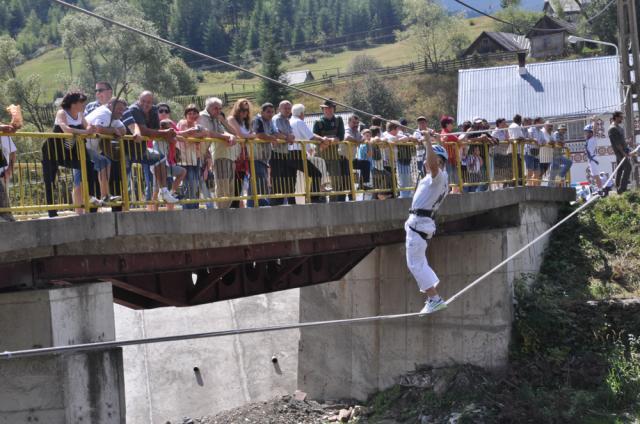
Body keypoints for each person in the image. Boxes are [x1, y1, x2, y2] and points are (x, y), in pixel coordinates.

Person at [405, 130, 449, 314]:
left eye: (430, 159)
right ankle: (433, 296)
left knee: (415, 264)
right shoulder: (436, 179)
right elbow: (432, 162)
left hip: (419, 224)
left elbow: (433, 163)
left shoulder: (437, 177)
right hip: (420, 223)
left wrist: (428, 142)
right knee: (419, 262)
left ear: (438, 162)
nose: (425, 162)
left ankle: (434, 298)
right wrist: (433, 140)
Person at [42, 91, 100, 216]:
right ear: (73, 104)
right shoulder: (62, 113)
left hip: (70, 152)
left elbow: (87, 126)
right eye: (81, 103)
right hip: (53, 151)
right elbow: (66, 129)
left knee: (89, 165)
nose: (83, 105)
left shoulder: (80, 114)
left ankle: (91, 198)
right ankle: (52, 212)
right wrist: (85, 132)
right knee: (50, 181)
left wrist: (92, 128)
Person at [122, 91, 179, 206]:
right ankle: (121, 206)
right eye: (143, 101)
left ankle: (164, 191)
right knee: (125, 181)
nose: (145, 104)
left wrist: (163, 133)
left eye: (148, 102)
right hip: (126, 150)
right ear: (138, 99)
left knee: (160, 158)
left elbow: (154, 132)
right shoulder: (134, 109)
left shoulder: (154, 110)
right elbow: (144, 131)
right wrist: (164, 133)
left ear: (152, 102)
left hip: (142, 150)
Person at [84, 98, 129, 204]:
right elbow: (98, 128)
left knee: (105, 162)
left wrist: (115, 131)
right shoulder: (105, 113)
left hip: (90, 148)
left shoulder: (112, 116)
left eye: (123, 110)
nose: (121, 112)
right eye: (119, 109)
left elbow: (123, 130)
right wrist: (113, 131)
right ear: (110, 105)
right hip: (82, 146)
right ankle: (102, 196)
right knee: (81, 178)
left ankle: (105, 195)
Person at [289, 103, 332, 199]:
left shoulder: (290, 121)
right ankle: (314, 197)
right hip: (297, 154)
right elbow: (311, 136)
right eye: (303, 113)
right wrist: (323, 139)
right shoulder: (299, 122)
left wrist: (310, 148)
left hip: (289, 154)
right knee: (316, 174)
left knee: (292, 179)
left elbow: (304, 136)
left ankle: (295, 200)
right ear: (301, 113)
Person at [155, 103, 187, 211]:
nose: (164, 113)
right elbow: (175, 137)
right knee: (155, 189)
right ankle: (153, 214)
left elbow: (177, 136)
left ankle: (171, 196)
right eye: (161, 111)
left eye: (166, 111)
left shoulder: (169, 125)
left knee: (181, 172)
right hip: (156, 162)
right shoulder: (156, 126)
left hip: (168, 162)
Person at [313, 99, 345, 201]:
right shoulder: (318, 122)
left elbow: (341, 136)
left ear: (334, 109)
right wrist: (325, 142)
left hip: (334, 155)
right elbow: (314, 138)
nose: (328, 110)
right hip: (321, 154)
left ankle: (333, 199)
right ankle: (321, 198)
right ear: (323, 109)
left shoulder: (339, 120)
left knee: (336, 179)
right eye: (326, 108)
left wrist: (331, 140)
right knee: (320, 178)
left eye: (330, 108)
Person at [226, 98, 256, 208]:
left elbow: (251, 134)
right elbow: (241, 135)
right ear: (237, 109)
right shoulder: (231, 119)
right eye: (242, 109)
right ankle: (232, 206)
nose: (244, 112)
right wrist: (251, 136)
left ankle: (237, 205)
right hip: (235, 155)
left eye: (246, 110)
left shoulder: (247, 123)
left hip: (244, 154)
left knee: (240, 182)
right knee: (234, 182)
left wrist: (251, 136)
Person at [271, 100, 302, 205]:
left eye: (289, 108)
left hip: (285, 153)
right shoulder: (276, 118)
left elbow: (292, 135)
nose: (288, 110)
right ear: (279, 109)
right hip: (276, 153)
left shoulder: (287, 120)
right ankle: (276, 203)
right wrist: (287, 137)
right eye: (285, 108)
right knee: (277, 179)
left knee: (287, 179)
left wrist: (288, 137)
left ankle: (289, 202)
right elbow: (275, 133)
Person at [250, 102, 277, 207]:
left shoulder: (270, 122)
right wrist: (273, 138)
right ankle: (262, 204)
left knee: (261, 180)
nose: (270, 114)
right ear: (262, 112)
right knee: (260, 180)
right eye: (268, 112)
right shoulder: (257, 120)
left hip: (264, 157)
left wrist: (284, 136)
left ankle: (254, 204)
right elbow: (259, 135)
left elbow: (275, 132)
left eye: (272, 112)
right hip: (256, 156)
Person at [344, 114, 373, 196]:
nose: (356, 125)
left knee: (366, 164)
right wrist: (358, 141)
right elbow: (347, 137)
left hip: (351, 159)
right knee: (348, 181)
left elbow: (363, 139)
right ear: (349, 122)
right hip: (343, 159)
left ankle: (362, 185)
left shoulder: (356, 131)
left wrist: (366, 142)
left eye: (357, 123)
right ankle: (349, 197)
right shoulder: (347, 129)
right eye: (354, 123)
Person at [608, 111, 633, 194]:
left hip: (623, 150)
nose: (622, 118)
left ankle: (617, 187)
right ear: (616, 117)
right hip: (620, 152)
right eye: (621, 117)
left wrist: (627, 142)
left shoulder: (618, 127)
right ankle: (622, 189)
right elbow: (617, 144)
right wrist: (623, 153)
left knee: (619, 169)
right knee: (628, 167)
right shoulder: (612, 128)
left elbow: (621, 140)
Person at [0, 119, 18, 222]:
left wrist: (9, 170)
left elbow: (13, 153)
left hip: (3, 174)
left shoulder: (5, 133)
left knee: (4, 206)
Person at [525, 117, 543, 186]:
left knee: (537, 172)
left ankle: (534, 186)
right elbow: (529, 137)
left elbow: (543, 140)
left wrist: (542, 142)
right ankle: (529, 186)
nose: (542, 124)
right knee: (530, 171)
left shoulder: (541, 132)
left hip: (536, 153)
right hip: (529, 152)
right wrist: (534, 140)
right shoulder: (531, 129)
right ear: (537, 122)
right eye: (541, 122)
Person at [584, 124, 602, 189]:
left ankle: (600, 188)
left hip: (593, 159)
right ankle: (598, 187)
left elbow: (594, 130)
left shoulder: (593, 139)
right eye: (585, 132)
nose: (585, 134)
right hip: (591, 159)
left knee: (596, 175)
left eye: (587, 132)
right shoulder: (588, 140)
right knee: (593, 175)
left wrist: (595, 121)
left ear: (591, 133)